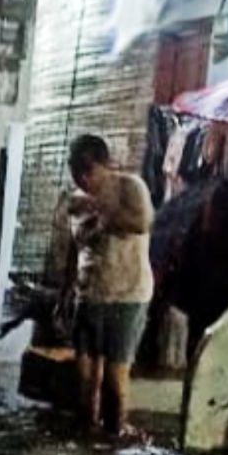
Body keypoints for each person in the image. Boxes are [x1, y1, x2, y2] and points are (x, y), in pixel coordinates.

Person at [66, 134, 154, 435]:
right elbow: (74, 247)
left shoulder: (131, 187)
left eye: (88, 171)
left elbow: (141, 222)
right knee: (84, 380)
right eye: (77, 172)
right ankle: (87, 440)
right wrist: (67, 291)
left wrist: (101, 212)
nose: (83, 178)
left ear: (106, 165)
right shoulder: (75, 199)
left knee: (115, 382)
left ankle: (114, 442)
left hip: (127, 295)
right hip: (88, 294)